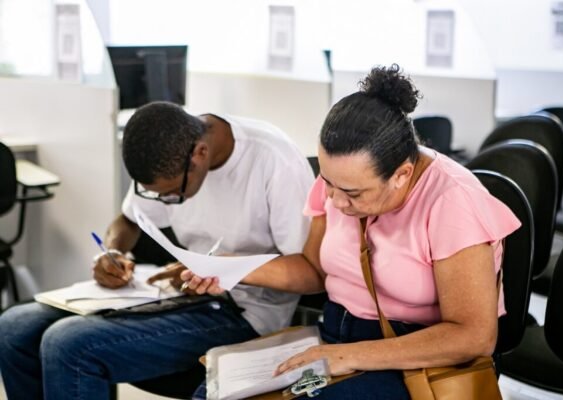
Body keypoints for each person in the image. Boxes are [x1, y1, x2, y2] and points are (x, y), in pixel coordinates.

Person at [185, 65, 522, 400]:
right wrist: (229, 267)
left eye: (353, 193)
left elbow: (473, 337)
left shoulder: (453, 201)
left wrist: (350, 356)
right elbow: (314, 271)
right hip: (334, 336)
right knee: (211, 394)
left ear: (402, 174)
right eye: (328, 182)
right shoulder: (337, 182)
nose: (334, 200)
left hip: (416, 357)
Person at [0, 102, 315, 400]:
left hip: (247, 312)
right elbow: (128, 221)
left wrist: (222, 267)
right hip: (181, 291)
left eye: (170, 196)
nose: (162, 202)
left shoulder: (273, 159)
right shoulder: (168, 144)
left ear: (200, 154)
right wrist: (112, 253)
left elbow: (309, 273)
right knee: (14, 328)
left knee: (69, 345)